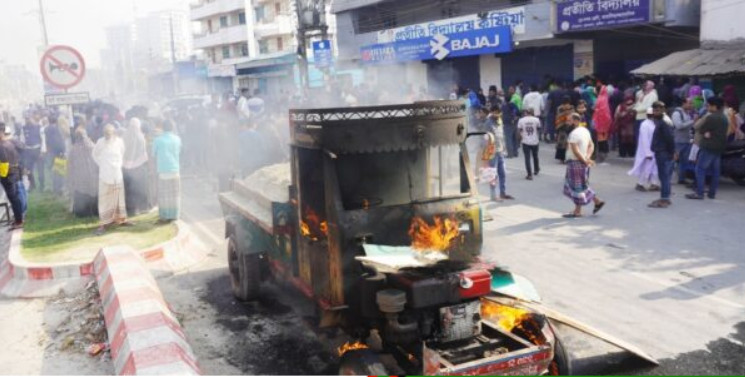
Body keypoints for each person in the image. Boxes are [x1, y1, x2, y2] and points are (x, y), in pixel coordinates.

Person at [562, 113, 605, 218]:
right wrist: (587, 157)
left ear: (575, 121)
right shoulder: (585, 130)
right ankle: (596, 202)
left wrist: (585, 160)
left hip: (575, 162)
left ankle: (579, 211)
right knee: (580, 186)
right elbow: (592, 145)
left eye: (569, 120)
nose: (567, 123)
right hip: (581, 162)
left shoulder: (574, 134)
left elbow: (576, 151)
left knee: (577, 187)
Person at [686, 97, 730, 200]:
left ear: (715, 106)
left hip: (708, 146)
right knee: (715, 172)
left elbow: (701, 129)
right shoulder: (724, 117)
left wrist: (706, 132)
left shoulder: (711, 117)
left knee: (700, 169)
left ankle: (699, 193)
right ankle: (712, 193)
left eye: (709, 105)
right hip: (719, 147)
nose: (707, 107)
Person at [92, 124, 129, 234]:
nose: (107, 135)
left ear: (114, 133)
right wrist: (101, 164)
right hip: (105, 174)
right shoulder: (100, 142)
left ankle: (120, 219)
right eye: (106, 133)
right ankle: (105, 222)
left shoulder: (119, 141)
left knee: (118, 197)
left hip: (116, 173)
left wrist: (118, 164)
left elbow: (122, 153)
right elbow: (94, 154)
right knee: (105, 199)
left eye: (109, 133)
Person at [153, 120, 182, 222]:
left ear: (162, 128)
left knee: (164, 195)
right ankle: (174, 215)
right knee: (174, 194)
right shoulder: (177, 139)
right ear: (172, 128)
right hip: (175, 169)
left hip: (163, 170)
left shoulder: (158, 140)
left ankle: (164, 216)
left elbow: (153, 153)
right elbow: (178, 151)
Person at [648, 102, 676, 208]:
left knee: (664, 176)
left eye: (658, 110)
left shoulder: (664, 122)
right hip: (662, 151)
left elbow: (670, 139)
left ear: (663, 110)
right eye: (654, 110)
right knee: (665, 176)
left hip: (663, 152)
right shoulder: (661, 121)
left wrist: (672, 152)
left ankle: (664, 199)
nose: (656, 112)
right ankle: (665, 197)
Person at [122, 117, 151, 216]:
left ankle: (131, 210)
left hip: (125, 167)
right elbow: (143, 153)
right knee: (140, 188)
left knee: (129, 190)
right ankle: (143, 208)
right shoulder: (140, 136)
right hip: (139, 167)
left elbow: (122, 150)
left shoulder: (124, 136)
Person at [485, 105, 514, 201]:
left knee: (502, 173)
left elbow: (502, 135)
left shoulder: (500, 121)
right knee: (492, 174)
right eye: (495, 112)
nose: (497, 114)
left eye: (498, 112)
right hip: (492, 151)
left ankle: (503, 193)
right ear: (492, 112)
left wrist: (504, 148)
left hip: (500, 150)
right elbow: (485, 138)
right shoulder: (488, 123)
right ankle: (493, 195)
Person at [0, 123, 26, 229]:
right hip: (14, 172)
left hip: (7, 175)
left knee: (13, 198)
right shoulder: (9, 143)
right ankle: (18, 218)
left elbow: (4, 162)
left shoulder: (1, 146)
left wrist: (2, 175)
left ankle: (18, 221)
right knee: (15, 197)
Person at [68, 127, 98, 217]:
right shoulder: (93, 146)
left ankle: (83, 212)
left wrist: (71, 177)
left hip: (80, 176)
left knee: (82, 192)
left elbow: (70, 165)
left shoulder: (73, 149)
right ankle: (94, 211)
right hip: (92, 175)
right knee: (92, 192)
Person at [628, 108, 660, 191]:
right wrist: (647, 153)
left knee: (654, 167)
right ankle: (640, 184)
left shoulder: (653, 123)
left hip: (654, 149)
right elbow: (645, 139)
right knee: (645, 168)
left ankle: (654, 183)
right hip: (646, 150)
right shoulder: (645, 124)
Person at [671, 98, 697, 184]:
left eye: (692, 103)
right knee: (674, 161)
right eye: (689, 103)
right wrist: (693, 121)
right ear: (683, 103)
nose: (691, 105)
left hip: (687, 140)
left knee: (684, 161)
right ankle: (668, 178)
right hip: (678, 140)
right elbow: (679, 126)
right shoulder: (676, 113)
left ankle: (681, 179)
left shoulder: (688, 114)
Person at [634, 81, 659, 153]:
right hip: (638, 117)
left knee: (645, 137)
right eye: (644, 85)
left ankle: (646, 152)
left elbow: (649, 106)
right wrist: (633, 109)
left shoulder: (653, 95)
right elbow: (638, 104)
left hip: (645, 118)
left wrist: (636, 110)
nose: (644, 86)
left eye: (646, 85)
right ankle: (640, 152)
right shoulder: (642, 94)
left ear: (651, 86)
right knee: (638, 136)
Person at [45, 115, 67, 194]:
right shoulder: (57, 129)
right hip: (58, 153)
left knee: (53, 171)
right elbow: (59, 141)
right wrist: (63, 150)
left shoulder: (46, 129)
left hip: (51, 152)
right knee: (60, 171)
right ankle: (60, 188)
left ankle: (55, 188)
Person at [21, 115, 44, 191]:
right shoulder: (24, 128)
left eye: (29, 118)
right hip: (28, 150)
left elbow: (42, 139)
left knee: (40, 169)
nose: (28, 120)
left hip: (37, 149)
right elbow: (23, 140)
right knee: (29, 169)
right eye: (26, 119)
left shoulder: (38, 127)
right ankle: (32, 185)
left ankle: (41, 185)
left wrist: (42, 151)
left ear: (32, 118)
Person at [517, 109, 541, 180]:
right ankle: (536, 169)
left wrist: (519, 139)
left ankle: (529, 174)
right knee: (535, 156)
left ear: (525, 113)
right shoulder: (536, 120)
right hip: (535, 141)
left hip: (525, 141)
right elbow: (539, 128)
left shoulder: (521, 120)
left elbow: (519, 130)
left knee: (527, 158)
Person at [593, 86, 613, 163]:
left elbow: (597, 109)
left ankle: (602, 155)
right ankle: (604, 155)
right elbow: (606, 111)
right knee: (604, 138)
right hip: (605, 122)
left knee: (600, 139)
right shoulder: (605, 99)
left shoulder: (599, 99)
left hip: (599, 121)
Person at [554, 96, 575, 162]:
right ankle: (565, 158)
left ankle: (564, 158)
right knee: (565, 143)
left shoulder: (561, 108)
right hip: (566, 127)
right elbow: (559, 117)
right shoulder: (570, 108)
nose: (567, 105)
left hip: (566, 127)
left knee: (565, 143)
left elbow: (559, 117)